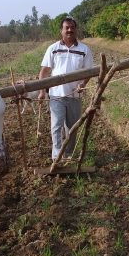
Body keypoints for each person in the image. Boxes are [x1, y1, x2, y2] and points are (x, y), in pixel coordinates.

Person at [38, 16, 94, 161]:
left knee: (72, 127)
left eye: (72, 28)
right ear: (61, 31)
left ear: (76, 30)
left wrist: (83, 84)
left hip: (75, 95)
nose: (69, 30)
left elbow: (88, 72)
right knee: (56, 126)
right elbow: (44, 71)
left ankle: (68, 154)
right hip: (56, 95)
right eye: (66, 28)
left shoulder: (84, 50)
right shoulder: (53, 48)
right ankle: (57, 155)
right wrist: (42, 91)